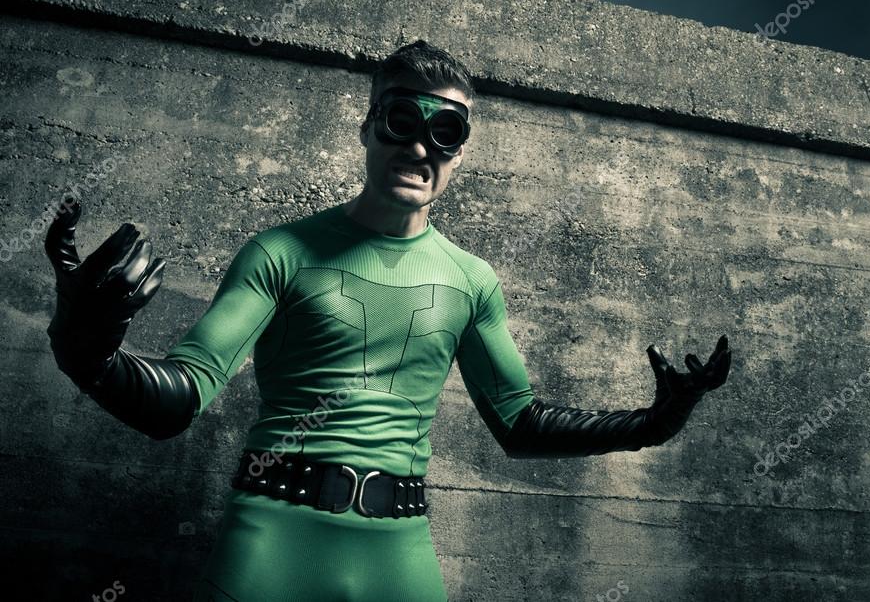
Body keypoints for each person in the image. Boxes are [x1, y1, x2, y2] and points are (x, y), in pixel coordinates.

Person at [43, 40, 732, 602]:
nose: (421, 147)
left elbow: (519, 425)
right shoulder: (280, 252)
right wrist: (87, 347)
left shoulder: (471, 280)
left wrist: (652, 423)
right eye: (403, 121)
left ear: (460, 153)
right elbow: (180, 398)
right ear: (369, 126)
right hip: (273, 538)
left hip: (398, 551)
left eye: (446, 131)